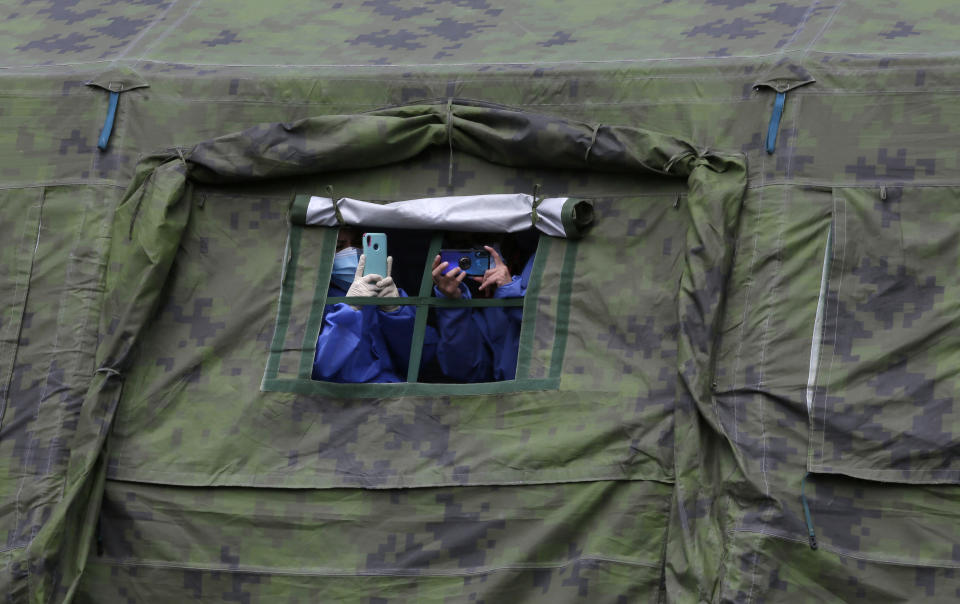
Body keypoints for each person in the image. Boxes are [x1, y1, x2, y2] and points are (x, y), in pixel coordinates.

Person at [312, 228, 436, 383]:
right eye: (338, 246)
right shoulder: (311, 300)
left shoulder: (390, 292)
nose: (352, 251)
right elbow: (322, 369)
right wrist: (350, 308)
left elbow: (422, 361)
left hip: (394, 396)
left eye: (359, 244)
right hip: (340, 401)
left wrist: (395, 312)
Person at [431, 244, 534, 382]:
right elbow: (470, 369)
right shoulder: (487, 313)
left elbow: (547, 327)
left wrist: (510, 289)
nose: (475, 253)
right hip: (509, 395)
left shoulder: (542, 261)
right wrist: (453, 303)